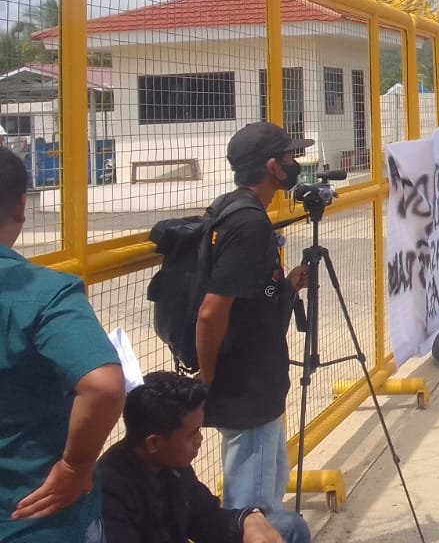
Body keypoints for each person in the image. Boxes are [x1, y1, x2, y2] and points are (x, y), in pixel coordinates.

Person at [0, 146, 125, 543]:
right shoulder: (44, 293)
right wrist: (75, 466)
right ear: (21, 206)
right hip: (34, 519)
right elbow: (103, 385)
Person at [195, 123, 311, 542]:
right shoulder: (249, 224)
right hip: (247, 388)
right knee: (255, 515)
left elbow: (246, 296)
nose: (294, 165)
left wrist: (287, 285)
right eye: (287, 158)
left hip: (254, 382)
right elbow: (211, 313)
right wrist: (208, 379)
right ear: (270, 167)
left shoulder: (232, 208)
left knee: (261, 500)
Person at [98, 372, 301, 543]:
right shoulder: (110, 490)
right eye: (192, 434)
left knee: (291, 527)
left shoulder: (172, 464)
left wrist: (248, 519)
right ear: (154, 443)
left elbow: (208, 518)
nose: (200, 439)